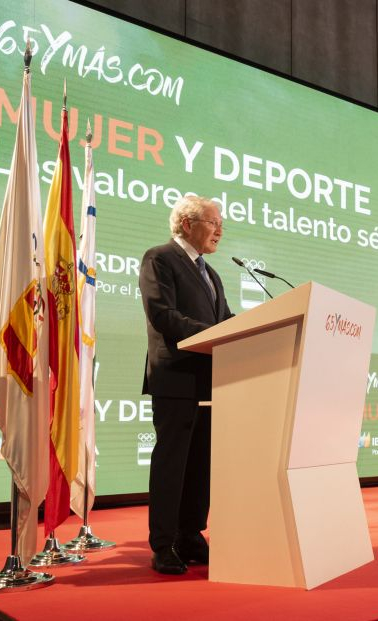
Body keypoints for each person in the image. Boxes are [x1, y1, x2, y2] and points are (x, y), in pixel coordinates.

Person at [139, 194, 234, 574]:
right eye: (213, 222)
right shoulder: (160, 258)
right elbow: (163, 315)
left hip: (211, 380)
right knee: (172, 463)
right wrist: (215, 334)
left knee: (201, 463)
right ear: (186, 224)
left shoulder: (211, 274)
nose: (220, 229)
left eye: (220, 222)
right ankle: (163, 544)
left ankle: (190, 534)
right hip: (176, 378)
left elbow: (227, 320)